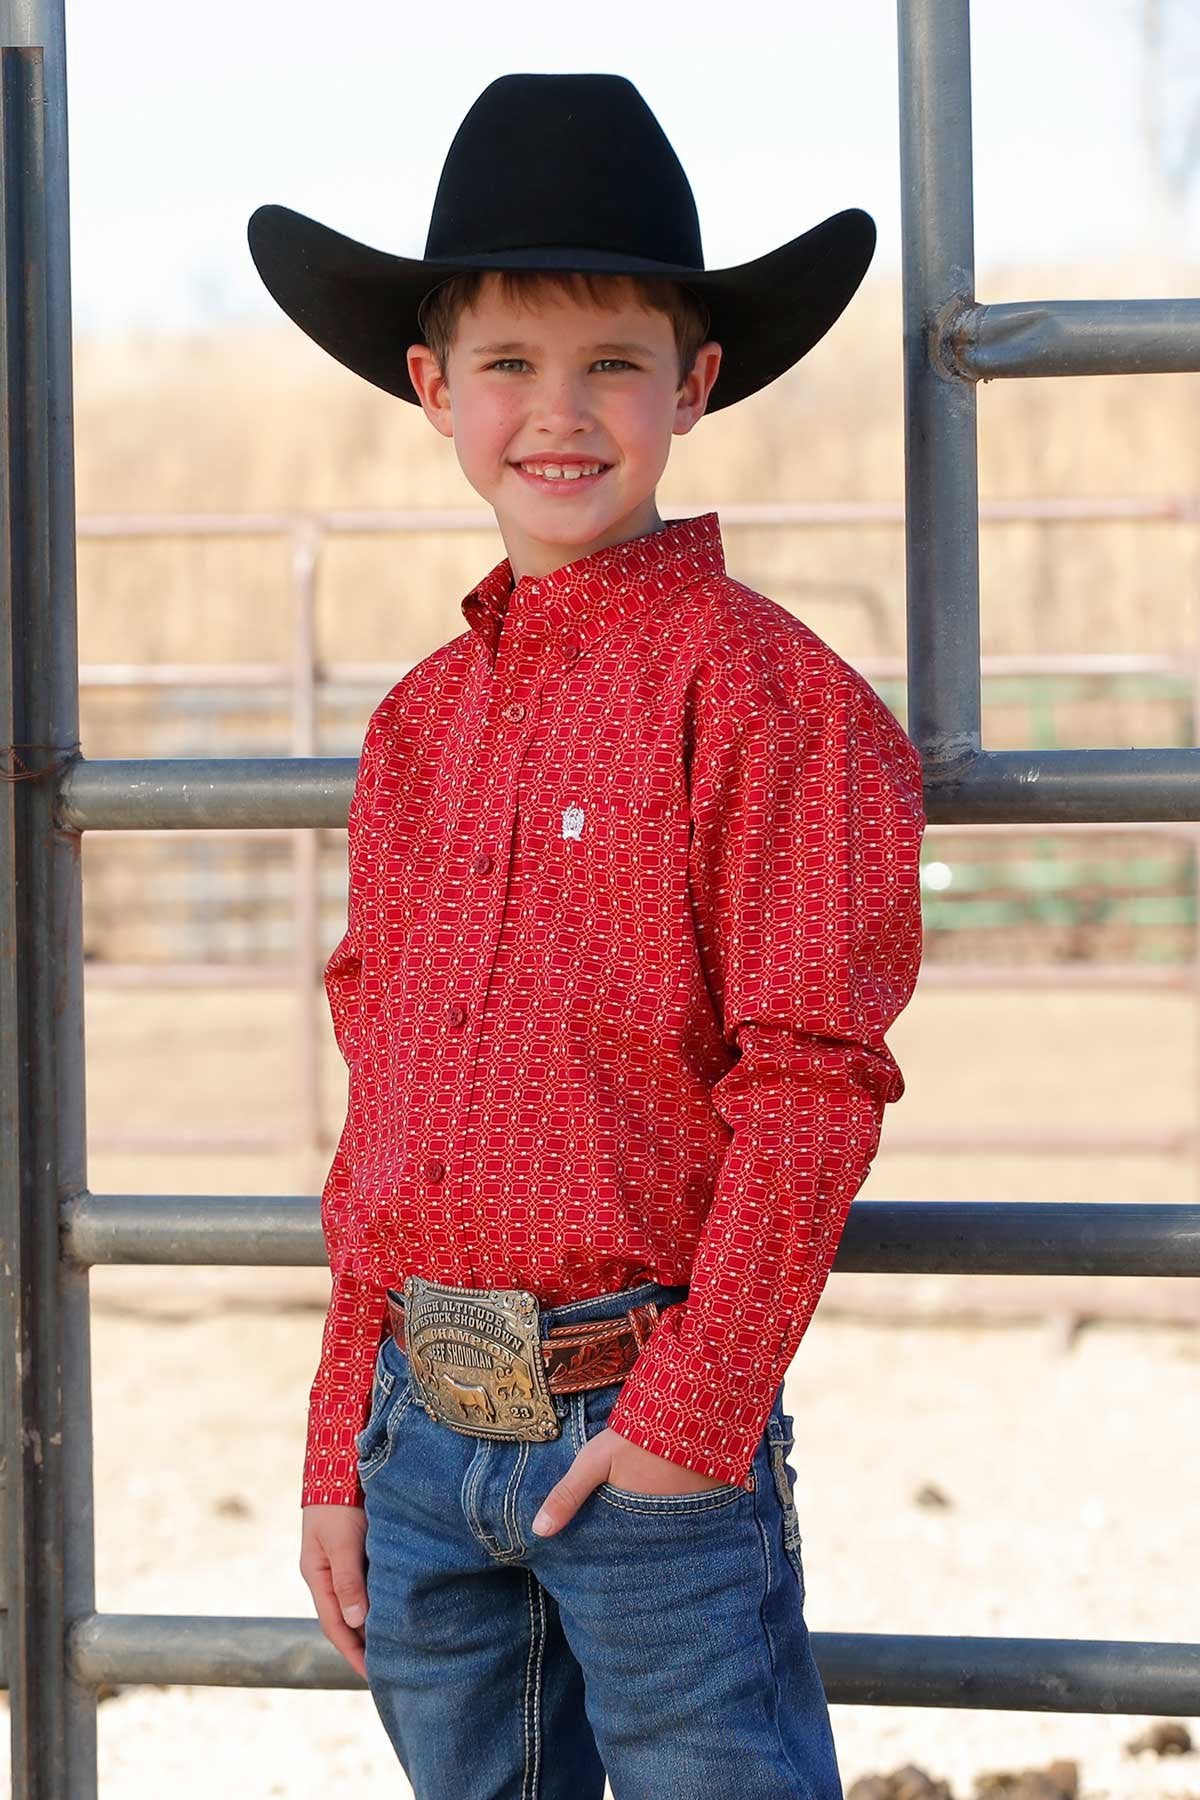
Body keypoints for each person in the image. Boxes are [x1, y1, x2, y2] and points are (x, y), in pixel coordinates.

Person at [248, 70, 925, 1800]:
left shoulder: (778, 705)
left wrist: (692, 1423)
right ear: (434, 390)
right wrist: (345, 1437)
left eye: (613, 361)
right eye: (509, 366)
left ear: (695, 385)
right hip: (422, 1428)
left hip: (643, 1418)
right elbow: (379, 1100)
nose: (562, 411)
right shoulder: (413, 731)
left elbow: (810, 1084)